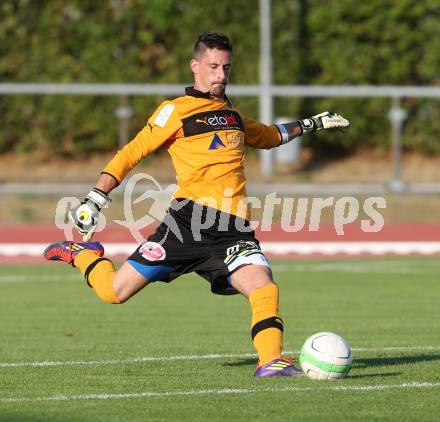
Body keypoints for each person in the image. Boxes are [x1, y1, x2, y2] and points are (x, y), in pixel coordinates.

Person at [44, 31, 349, 377]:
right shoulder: (175, 111)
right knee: (115, 292)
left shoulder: (232, 114)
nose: (220, 75)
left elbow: (269, 135)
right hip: (188, 223)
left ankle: (270, 361)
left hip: (233, 229)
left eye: (226, 68)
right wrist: (95, 198)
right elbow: (132, 152)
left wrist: (311, 123)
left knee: (263, 286)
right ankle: (82, 254)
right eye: (213, 66)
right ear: (195, 66)